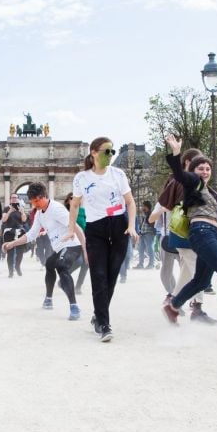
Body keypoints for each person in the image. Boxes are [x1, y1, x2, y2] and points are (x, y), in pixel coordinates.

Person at [162, 134, 217, 341]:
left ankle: (173, 307)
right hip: (201, 232)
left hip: (208, 234)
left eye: (207, 168)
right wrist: (176, 153)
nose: (204, 171)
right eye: (200, 168)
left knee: (201, 280)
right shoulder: (193, 183)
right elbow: (179, 174)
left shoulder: (210, 194)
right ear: (193, 172)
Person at [66, 137, 139, 342]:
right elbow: (75, 205)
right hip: (96, 229)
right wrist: (71, 228)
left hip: (119, 226)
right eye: (107, 151)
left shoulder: (119, 174)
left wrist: (131, 226)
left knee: (111, 276)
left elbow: (130, 203)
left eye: (112, 152)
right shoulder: (82, 177)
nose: (111, 155)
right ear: (94, 153)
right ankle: (103, 324)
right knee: (98, 275)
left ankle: (99, 314)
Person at [4, 182, 86, 320]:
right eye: (32, 202)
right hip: (60, 248)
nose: (35, 205)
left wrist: (85, 249)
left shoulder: (57, 209)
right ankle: (48, 298)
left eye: (36, 201)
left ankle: (74, 306)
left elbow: (75, 226)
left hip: (72, 245)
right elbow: (31, 234)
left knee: (61, 266)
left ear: (44, 196)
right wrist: (13, 243)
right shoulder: (40, 214)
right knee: (49, 263)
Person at [158, 147, 217, 324]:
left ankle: (172, 303)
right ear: (186, 164)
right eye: (198, 165)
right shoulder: (179, 182)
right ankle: (196, 308)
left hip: (195, 233)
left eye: (206, 167)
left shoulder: (201, 185)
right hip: (185, 233)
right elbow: (166, 206)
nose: (203, 169)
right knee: (197, 270)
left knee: (187, 271)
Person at [63, 192, 88, 294]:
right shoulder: (65, 212)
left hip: (84, 239)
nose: (76, 200)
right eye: (72, 198)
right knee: (78, 262)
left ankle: (78, 287)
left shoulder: (83, 211)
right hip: (72, 241)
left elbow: (86, 225)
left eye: (78, 198)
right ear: (68, 200)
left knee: (86, 263)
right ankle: (64, 278)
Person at [2, 194, 27, 278]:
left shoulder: (21, 208)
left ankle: (17, 266)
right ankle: (10, 271)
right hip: (9, 232)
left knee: (20, 252)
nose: (14, 199)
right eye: (12, 198)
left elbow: (24, 220)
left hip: (19, 232)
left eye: (16, 198)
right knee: (10, 252)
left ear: (18, 199)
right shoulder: (6, 208)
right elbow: (4, 220)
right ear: (10, 199)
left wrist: (22, 212)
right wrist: (10, 211)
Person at [135, 201, 156, 269]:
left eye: (143, 206)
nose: (142, 207)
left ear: (147, 207)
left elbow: (152, 224)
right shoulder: (144, 214)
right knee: (140, 249)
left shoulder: (151, 214)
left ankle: (152, 264)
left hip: (149, 233)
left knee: (149, 248)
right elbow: (142, 224)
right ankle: (140, 264)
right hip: (143, 233)